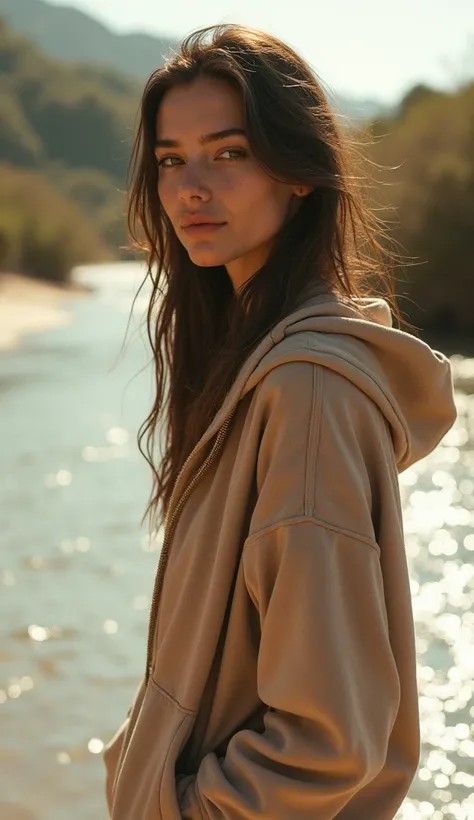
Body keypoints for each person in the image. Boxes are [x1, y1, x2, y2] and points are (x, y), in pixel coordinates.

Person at [103, 23, 457, 820]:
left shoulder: (305, 393)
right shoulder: (248, 359)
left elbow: (329, 740)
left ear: (298, 174)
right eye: (171, 159)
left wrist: (185, 811)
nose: (192, 185)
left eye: (229, 153)